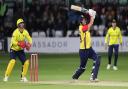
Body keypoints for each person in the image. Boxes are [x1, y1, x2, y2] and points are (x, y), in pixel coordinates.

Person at [72, 9, 101, 82]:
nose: (84, 20)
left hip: (89, 49)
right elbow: (90, 24)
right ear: (81, 21)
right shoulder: (82, 28)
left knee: (97, 58)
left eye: (85, 19)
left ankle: (93, 77)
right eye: (83, 20)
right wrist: (92, 17)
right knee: (82, 67)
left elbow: (89, 24)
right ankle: (75, 77)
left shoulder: (85, 27)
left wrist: (90, 15)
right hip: (83, 51)